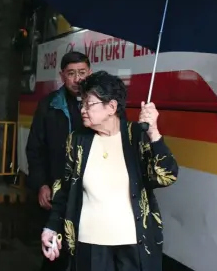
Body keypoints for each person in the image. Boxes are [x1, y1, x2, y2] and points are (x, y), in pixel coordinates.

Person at [40, 71, 179, 271]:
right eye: (82, 103)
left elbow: (167, 176)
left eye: (89, 104)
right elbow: (64, 188)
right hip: (89, 245)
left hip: (132, 245)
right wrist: (52, 226)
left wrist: (154, 133)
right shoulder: (78, 140)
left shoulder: (136, 136)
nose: (83, 110)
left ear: (111, 107)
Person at [26, 51, 91, 271]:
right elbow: (35, 149)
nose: (77, 78)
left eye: (82, 72)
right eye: (71, 73)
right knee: (55, 252)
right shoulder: (49, 105)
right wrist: (41, 184)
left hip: (89, 194)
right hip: (57, 191)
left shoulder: (101, 106)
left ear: (89, 72)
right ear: (62, 75)